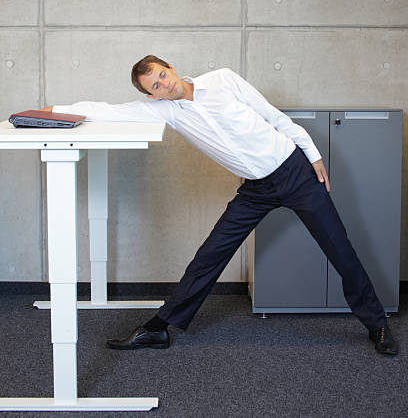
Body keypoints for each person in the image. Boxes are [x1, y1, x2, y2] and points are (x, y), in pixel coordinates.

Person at [48, 54, 398, 355]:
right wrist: (52, 111)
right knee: (209, 256)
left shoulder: (223, 80)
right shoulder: (167, 113)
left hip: (294, 172)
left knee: (340, 251)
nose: (163, 85)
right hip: (256, 189)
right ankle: (158, 328)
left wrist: (313, 155)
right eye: (154, 86)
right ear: (150, 96)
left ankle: (377, 325)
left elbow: (273, 116)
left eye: (162, 76)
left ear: (170, 67)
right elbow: (106, 111)